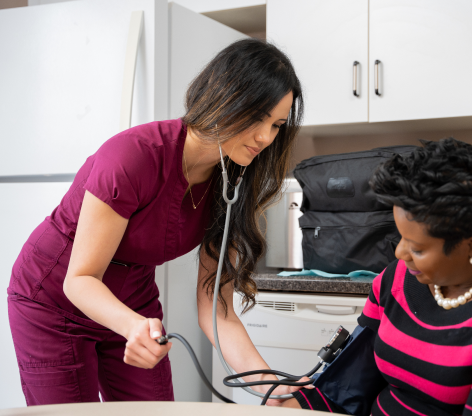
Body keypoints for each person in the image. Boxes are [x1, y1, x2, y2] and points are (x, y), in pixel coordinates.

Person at [7, 38, 304, 405]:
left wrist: (270, 386)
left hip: (134, 301)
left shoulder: (234, 183)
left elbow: (216, 311)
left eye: (276, 125)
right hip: (54, 300)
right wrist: (132, 325)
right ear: (224, 96)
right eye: (258, 117)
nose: (265, 137)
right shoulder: (132, 157)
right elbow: (80, 279)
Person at [283, 138, 472, 415]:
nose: (400, 253)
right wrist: (304, 404)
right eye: (400, 236)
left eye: (417, 247)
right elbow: (353, 381)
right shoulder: (397, 279)